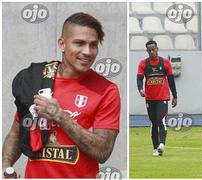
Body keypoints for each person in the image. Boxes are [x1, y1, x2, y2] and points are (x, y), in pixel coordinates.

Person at [2, 12, 120, 178]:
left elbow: (103, 151)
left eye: (93, 45)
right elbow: (16, 133)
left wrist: (60, 116)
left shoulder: (107, 90)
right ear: (62, 44)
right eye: (79, 43)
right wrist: (6, 165)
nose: (87, 52)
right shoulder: (37, 79)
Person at [137, 40, 177, 156]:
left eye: (153, 49)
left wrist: (175, 96)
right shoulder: (143, 64)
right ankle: (155, 148)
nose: (152, 52)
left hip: (162, 98)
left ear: (157, 49)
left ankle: (162, 144)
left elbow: (171, 80)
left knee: (161, 120)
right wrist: (140, 89)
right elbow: (139, 79)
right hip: (150, 99)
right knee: (153, 123)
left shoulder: (165, 63)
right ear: (147, 51)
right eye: (149, 50)